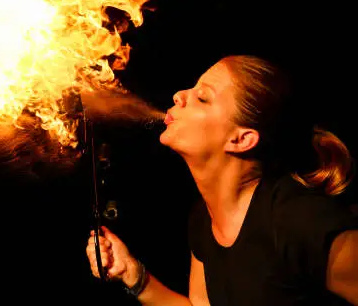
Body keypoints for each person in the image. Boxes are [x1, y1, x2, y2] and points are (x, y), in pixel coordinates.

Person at [85, 54, 358, 305]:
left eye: (203, 98)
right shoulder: (204, 219)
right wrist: (136, 278)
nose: (179, 95)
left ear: (241, 139)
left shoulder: (301, 222)